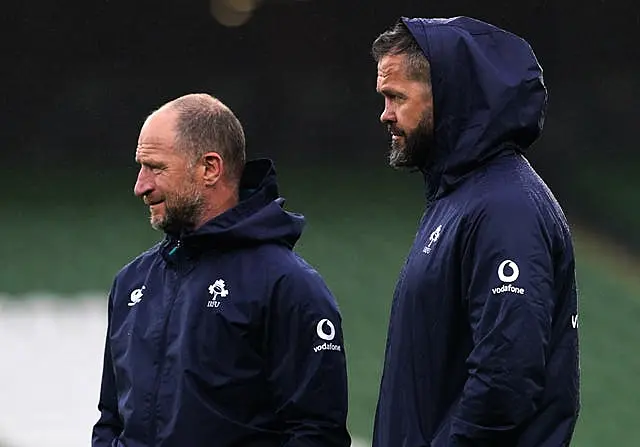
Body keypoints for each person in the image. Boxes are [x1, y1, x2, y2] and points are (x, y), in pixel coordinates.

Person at [92, 93, 351, 447]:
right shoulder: (132, 282)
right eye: (140, 167)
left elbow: (317, 434)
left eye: (156, 167)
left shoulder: (288, 286)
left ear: (209, 168)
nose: (141, 186)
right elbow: (110, 421)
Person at [371, 17, 580, 446]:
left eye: (396, 98)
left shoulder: (506, 208)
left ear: (446, 97)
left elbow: (506, 377)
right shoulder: (459, 199)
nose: (385, 115)